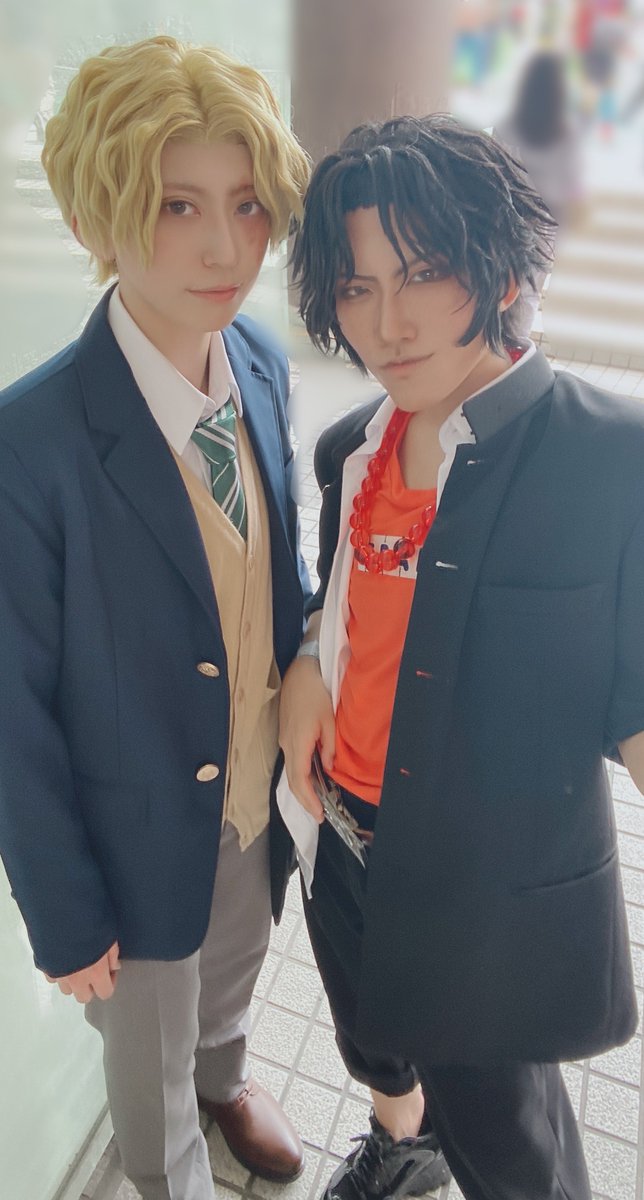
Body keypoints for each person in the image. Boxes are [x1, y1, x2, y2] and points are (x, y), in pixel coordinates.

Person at [278, 114, 643, 1200]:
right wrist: (309, 661)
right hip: (340, 837)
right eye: (356, 287)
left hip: (481, 895)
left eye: (422, 274)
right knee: (369, 1037)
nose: (384, 325)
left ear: (499, 268)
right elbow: (348, 599)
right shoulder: (352, 447)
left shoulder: (604, 458)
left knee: (512, 1144)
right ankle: (402, 1142)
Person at [0, 35, 310, 1200]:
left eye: (244, 202)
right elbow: (10, 711)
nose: (225, 247)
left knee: (234, 968)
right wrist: (63, 914)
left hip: (252, 797)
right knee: (147, 1073)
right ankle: (173, 1168)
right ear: (95, 218)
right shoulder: (30, 445)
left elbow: (274, 566)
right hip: (129, 844)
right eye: (178, 205)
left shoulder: (261, 363)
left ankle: (225, 1079)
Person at [493, 51, 586, 335]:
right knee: (529, 293)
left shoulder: (506, 126)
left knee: (497, 288)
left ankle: (491, 346)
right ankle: (516, 347)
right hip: (545, 224)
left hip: (507, 220)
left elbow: (495, 174)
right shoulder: (567, 131)